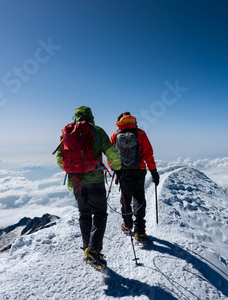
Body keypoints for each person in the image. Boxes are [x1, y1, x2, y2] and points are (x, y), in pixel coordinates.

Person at [56, 106, 121, 269]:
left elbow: (59, 160)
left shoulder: (67, 132)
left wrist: (74, 172)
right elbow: (111, 152)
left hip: (76, 182)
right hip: (95, 180)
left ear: (75, 118)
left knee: (84, 214)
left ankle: (88, 248)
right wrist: (118, 168)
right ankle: (93, 250)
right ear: (92, 117)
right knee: (99, 213)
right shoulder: (97, 131)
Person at [110, 112, 159, 243]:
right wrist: (154, 172)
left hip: (123, 172)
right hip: (139, 171)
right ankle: (140, 231)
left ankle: (127, 225)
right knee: (139, 198)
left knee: (125, 198)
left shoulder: (115, 135)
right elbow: (148, 154)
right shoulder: (141, 134)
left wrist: (115, 169)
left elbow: (111, 155)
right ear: (133, 121)